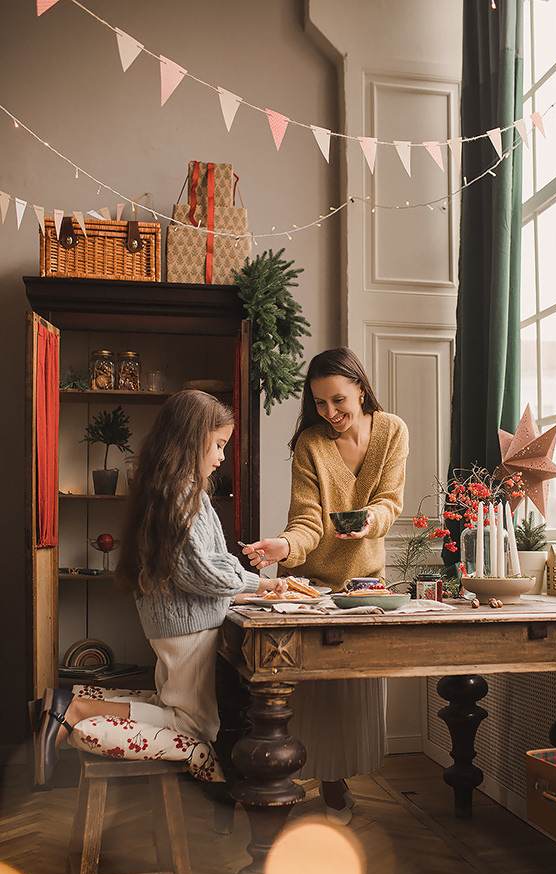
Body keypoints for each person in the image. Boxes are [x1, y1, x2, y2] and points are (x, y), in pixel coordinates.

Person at [33, 389, 287, 786]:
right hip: (189, 629)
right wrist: (260, 583)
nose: (222, 457)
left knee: (176, 709)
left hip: (174, 624)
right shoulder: (182, 494)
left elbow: (192, 570)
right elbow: (203, 571)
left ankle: (76, 707)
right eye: (218, 445)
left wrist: (253, 588)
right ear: (192, 439)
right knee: (194, 726)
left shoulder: (167, 488)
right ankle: (77, 709)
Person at [243, 347, 409, 823]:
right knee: (300, 697)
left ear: (361, 387)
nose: (331, 414)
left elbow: (390, 502)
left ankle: (335, 785)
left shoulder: (393, 430)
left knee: (346, 693)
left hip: (364, 586)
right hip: (309, 585)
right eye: (319, 404)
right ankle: (287, 784)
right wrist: (282, 547)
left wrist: (368, 521)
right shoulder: (311, 445)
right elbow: (307, 520)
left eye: (338, 400)